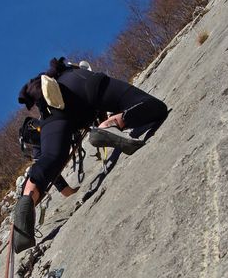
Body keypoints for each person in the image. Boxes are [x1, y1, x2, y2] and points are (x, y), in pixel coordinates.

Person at [13, 57, 167, 253]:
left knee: (51, 157)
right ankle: (112, 124)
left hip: (53, 113)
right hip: (83, 85)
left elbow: (49, 161)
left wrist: (67, 191)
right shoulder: (74, 73)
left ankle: (26, 203)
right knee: (152, 105)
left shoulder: (43, 120)